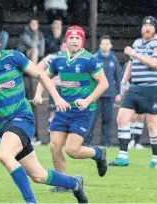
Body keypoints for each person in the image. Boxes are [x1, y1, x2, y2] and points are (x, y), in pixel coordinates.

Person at [0, 27, 88, 203]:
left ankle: (30, 202)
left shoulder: (12, 57)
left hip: (22, 117)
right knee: (38, 175)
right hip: (4, 126)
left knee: (4, 155)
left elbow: (40, 73)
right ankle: (74, 183)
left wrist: (57, 98)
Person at [33, 26, 109, 193]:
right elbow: (44, 78)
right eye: (71, 38)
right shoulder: (58, 59)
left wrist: (88, 100)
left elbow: (104, 83)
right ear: (65, 41)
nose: (74, 41)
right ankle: (63, 184)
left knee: (72, 151)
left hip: (83, 111)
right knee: (54, 146)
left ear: (82, 41)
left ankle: (98, 153)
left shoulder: (89, 59)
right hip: (63, 110)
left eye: (77, 38)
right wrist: (38, 94)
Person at [109, 16, 157, 168]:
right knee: (122, 118)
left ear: (155, 29)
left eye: (150, 26)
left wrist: (134, 53)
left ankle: (156, 159)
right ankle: (123, 157)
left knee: (152, 124)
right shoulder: (137, 43)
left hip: (153, 88)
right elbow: (131, 63)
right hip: (135, 87)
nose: (147, 29)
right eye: (145, 26)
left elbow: (154, 63)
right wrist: (123, 82)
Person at [84, 35, 122, 147]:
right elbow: (89, 77)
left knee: (107, 120)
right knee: (92, 119)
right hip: (96, 95)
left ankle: (105, 144)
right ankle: (87, 142)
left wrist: (119, 93)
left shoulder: (114, 59)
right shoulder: (94, 58)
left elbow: (118, 77)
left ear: (110, 45)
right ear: (100, 45)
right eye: (103, 44)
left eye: (107, 44)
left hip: (110, 95)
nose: (105, 46)